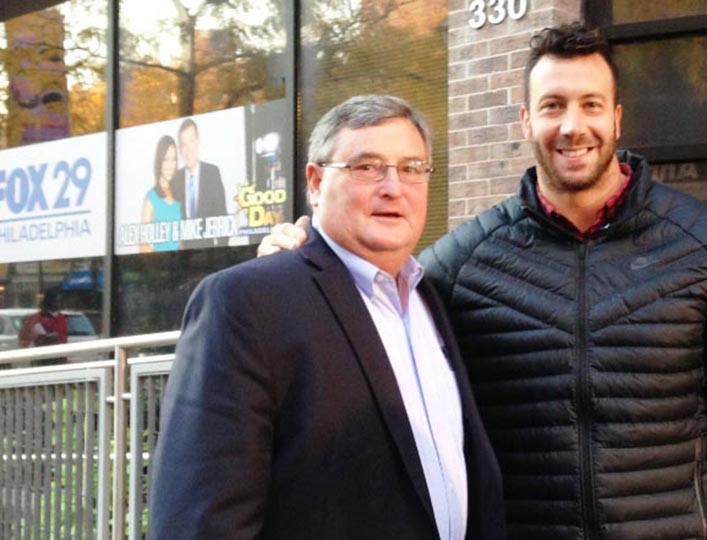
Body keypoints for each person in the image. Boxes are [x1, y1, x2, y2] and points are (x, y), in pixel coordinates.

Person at [259, 24, 707, 540]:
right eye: (552, 106)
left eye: (591, 104)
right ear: (525, 121)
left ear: (617, 118)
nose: (573, 126)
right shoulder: (461, 264)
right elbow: (369, 310)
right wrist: (300, 266)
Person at [150, 95, 505, 540]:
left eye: (411, 168)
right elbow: (201, 520)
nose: (393, 187)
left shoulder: (430, 299)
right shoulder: (247, 303)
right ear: (316, 183)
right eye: (366, 167)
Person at [170, 117, 228, 248]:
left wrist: (220, 253)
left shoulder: (212, 173)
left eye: (191, 142)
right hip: (181, 255)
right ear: (179, 149)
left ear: (198, 142)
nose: (188, 150)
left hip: (209, 253)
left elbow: (222, 218)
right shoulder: (175, 179)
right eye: (183, 145)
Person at [140, 135, 182, 253]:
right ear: (159, 161)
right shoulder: (151, 198)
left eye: (173, 159)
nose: (170, 165)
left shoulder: (181, 195)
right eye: (165, 159)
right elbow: (143, 245)